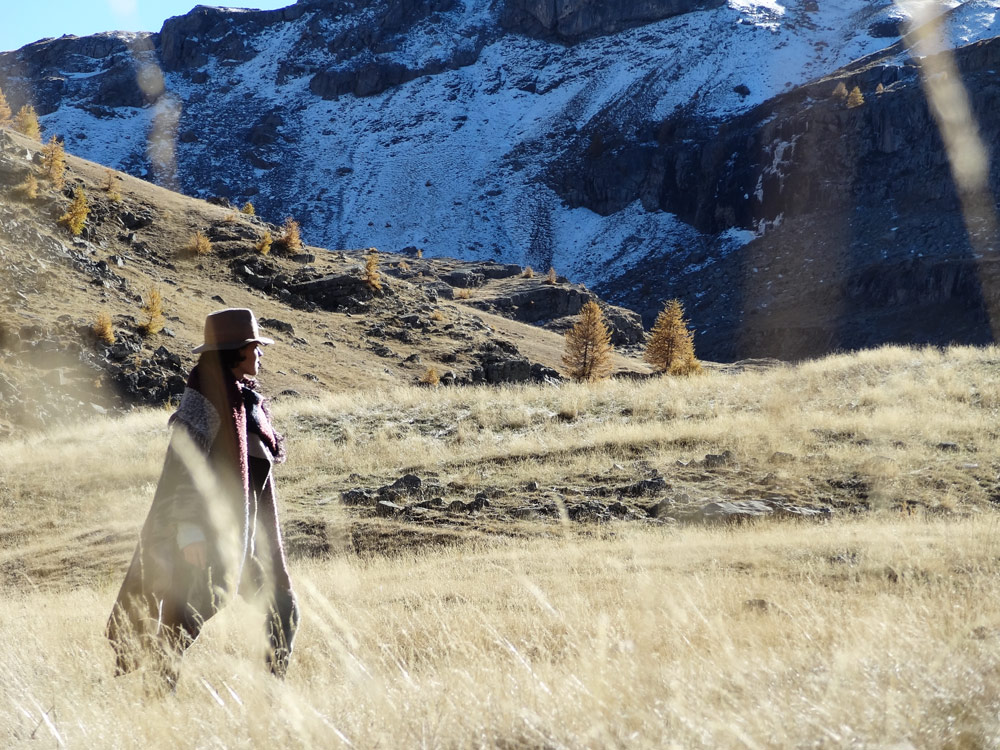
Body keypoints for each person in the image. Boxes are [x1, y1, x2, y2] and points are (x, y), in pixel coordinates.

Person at [107, 308, 299, 688]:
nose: (260, 354)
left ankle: (275, 691)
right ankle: (158, 695)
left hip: (252, 540)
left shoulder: (247, 402)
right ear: (237, 351)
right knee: (185, 620)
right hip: (210, 536)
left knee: (283, 608)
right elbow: (183, 470)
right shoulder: (204, 401)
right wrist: (190, 532)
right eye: (255, 348)